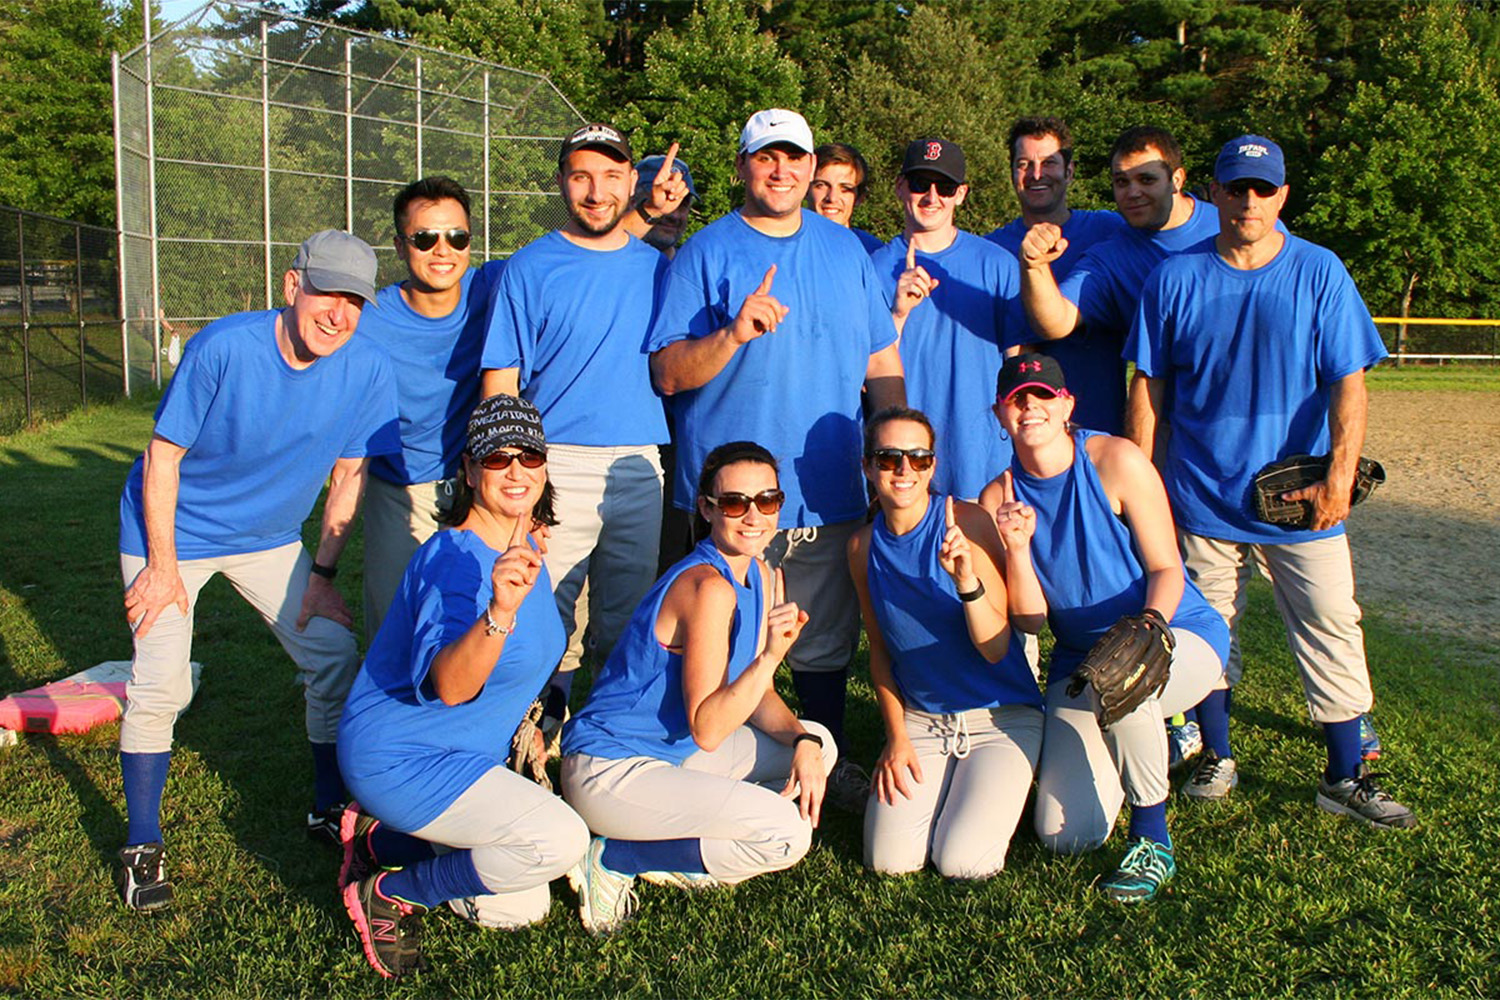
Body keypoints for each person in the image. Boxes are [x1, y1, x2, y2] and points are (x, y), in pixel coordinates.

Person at [1124, 135, 1415, 829]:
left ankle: (1345, 775)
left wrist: (1340, 477)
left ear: (1282, 195)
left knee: (1332, 625)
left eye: (1263, 189)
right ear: (1215, 193)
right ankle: (1217, 755)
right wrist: (1138, 487)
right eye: (1236, 188)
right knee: (1206, 632)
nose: (1249, 201)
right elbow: (1148, 391)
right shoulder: (1176, 277)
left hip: (1301, 502)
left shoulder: (1319, 271)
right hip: (1200, 492)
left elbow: (1351, 385)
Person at [115, 230, 399, 911]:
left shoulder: (366, 367)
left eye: (355, 301)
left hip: (269, 539)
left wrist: (324, 575)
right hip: (173, 529)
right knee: (161, 681)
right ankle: (142, 843)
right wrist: (160, 567)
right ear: (292, 285)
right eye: (327, 292)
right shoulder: (225, 347)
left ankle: (328, 807)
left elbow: (350, 473)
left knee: (331, 653)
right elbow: (163, 457)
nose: (339, 313)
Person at [648, 108, 905, 810]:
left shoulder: (847, 251)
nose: (781, 169)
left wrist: (891, 448)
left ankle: (823, 759)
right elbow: (667, 373)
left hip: (821, 488)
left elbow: (882, 359)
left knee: (820, 645)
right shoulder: (706, 251)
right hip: (730, 499)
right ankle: (687, 762)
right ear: (741, 167)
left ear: (813, 167)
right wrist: (732, 334)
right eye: (765, 157)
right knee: (718, 637)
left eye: (794, 157)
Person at [336, 394, 588, 978]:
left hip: (464, 756)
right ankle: (397, 889)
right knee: (558, 843)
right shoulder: (455, 562)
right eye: (497, 459)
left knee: (523, 905)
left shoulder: (521, 543)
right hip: (404, 756)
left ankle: (383, 844)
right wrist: (498, 611)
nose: (516, 471)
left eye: (529, 456)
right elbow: (450, 685)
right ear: (470, 471)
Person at [560, 441, 838, 934]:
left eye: (767, 501)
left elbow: (751, 693)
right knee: (785, 837)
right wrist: (773, 656)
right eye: (734, 503)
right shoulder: (708, 587)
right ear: (707, 508)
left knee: (820, 743)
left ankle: (689, 823)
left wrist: (802, 740)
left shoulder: (761, 573)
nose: (753, 516)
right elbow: (709, 728)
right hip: (611, 768)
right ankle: (613, 856)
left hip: (673, 755)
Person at [979, 354, 1229, 902]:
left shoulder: (1115, 459)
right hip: (1078, 657)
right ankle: (1142, 748)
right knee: (1065, 835)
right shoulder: (997, 498)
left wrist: (1150, 627)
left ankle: (1152, 840)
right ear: (999, 413)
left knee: (1126, 678)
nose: (1030, 407)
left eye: (1043, 396)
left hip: (1174, 630)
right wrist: (1017, 551)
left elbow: (1167, 568)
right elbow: (1030, 620)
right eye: (1017, 399)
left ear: (1066, 405)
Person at [482, 122, 670, 726]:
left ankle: (608, 736)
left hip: (640, 463)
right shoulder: (530, 267)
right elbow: (501, 383)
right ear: (562, 181)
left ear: (631, 182)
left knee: (625, 614)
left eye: (612, 176)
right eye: (582, 176)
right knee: (546, 611)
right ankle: (538, 733)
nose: (597, 192)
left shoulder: (658, 267)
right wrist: (515, 474)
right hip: (554, 458)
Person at [849, 407, 1041, 878]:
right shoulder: (860, 547)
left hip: (1000, 715)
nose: (903, 470)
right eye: (888, 457)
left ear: (932, 465)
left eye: (917, 458)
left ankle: (1016, 780)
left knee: (963, 862)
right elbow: (880, 652)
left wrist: (966, 581)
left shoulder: (967, 521)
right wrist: (895, 738)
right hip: (923, 721)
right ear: (868, 466)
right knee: (889, 862)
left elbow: (996, 649)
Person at [359, 176, 505, 644]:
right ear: (400, 246)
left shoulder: (491, 289)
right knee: (393, 623)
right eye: (425, 238)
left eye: (457, 237)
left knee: (477, 617)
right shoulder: (369, 317)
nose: (443, 250)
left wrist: (644, 214)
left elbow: (571, 251)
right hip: (398, 488)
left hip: (474, 484)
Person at [1017, 125, 1218, 435]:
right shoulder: (1112, 256)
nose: (1132, 192)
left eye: (1146, 179)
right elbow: (1055, 321)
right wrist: (1035, 266)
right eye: (1121, 181)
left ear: (1177, 179)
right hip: (1174, 434)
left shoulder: (1229, 226)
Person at [872, 137, 1026, 501]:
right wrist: (899, 313)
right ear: (899, 187)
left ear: (961, 194)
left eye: (945, 187)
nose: (932, 197)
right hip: (904, 468)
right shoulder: (873, 268)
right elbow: (866, 373)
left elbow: (1017, 363)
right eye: (920, 184)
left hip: (985, 464)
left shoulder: (997, 263)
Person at [986, 116, 1127, 425]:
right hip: (1026, 430)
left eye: (1049, 163)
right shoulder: (990, 251)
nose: (1036, 174)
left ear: (1070, 170)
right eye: (1024, 164)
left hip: (1101, 425)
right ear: (1012, 172)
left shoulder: (1110, 230)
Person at [807, 142, 884, 253]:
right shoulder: (784, 247)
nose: (832, 198)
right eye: (821, 185)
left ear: (860, 197)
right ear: (806, 189)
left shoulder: (874, 253)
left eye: (845, 189)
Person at [623, 145, 697, 257]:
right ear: (631, 200)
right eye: (663, 199)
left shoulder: (691, 266)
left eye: (682, 204)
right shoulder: (602, 261)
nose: (674, 215)